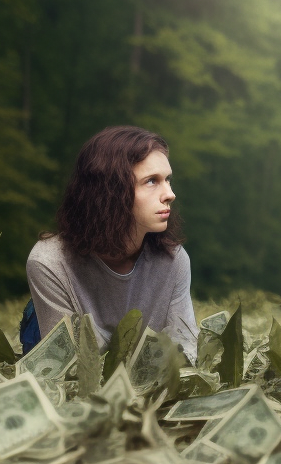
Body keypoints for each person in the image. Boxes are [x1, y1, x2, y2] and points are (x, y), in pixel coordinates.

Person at [24, 125, 199, 362]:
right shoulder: (50, 262)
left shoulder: (174, 260)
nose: (170, 194)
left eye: (167, 180)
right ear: (111, 191)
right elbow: (67, 370)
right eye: (151, 181)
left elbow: (186, 352)